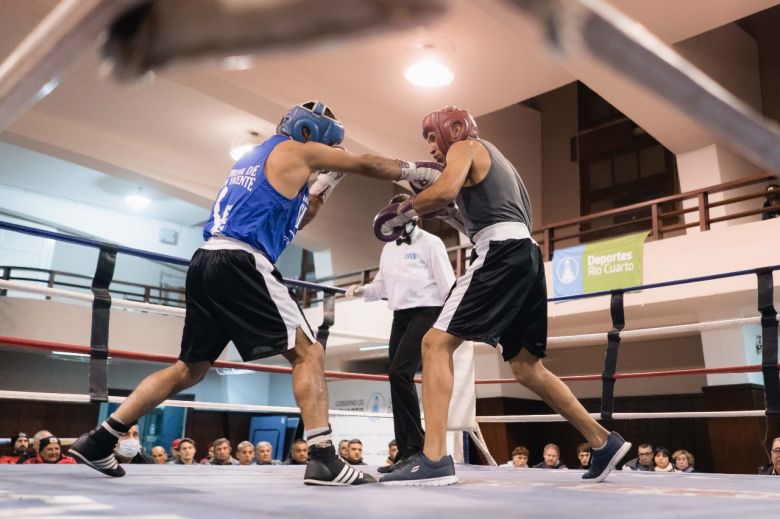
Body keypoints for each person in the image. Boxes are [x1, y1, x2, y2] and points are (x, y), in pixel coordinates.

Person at [68, 100, 442, 486]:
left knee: (189, 369)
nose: (328, 154)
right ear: (310, 134)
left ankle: (101, 438)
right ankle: (324, 457)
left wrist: (326, 182)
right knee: (308, 351)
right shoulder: (296, 147)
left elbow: (300, 216)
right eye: (327, 147)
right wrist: (414, 170)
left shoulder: (256, 161)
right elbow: (367, 164)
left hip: (205, 262)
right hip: (242, 261)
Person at [377, 106, 631, 486]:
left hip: (500, 252)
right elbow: (469, 211)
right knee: (528, 368)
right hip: (527, 254)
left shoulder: (464, 147)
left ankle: (432, 458)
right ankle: (603, 441)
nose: (431, 147)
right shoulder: (500, 166)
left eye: (433, 137)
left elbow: (445, 191)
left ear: (455, 128)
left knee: (433, 344)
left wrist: (406, 209)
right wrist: (442, 211)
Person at [347, 194, 455, 474]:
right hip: (400, 316)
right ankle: (406, 450)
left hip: (426, 312)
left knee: (399, 373)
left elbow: (449, 287)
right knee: (396, 377)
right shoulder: (388, 249)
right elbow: (381, 287)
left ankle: (417, 448)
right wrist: (361, 291)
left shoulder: (431, 243)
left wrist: (450, 325)